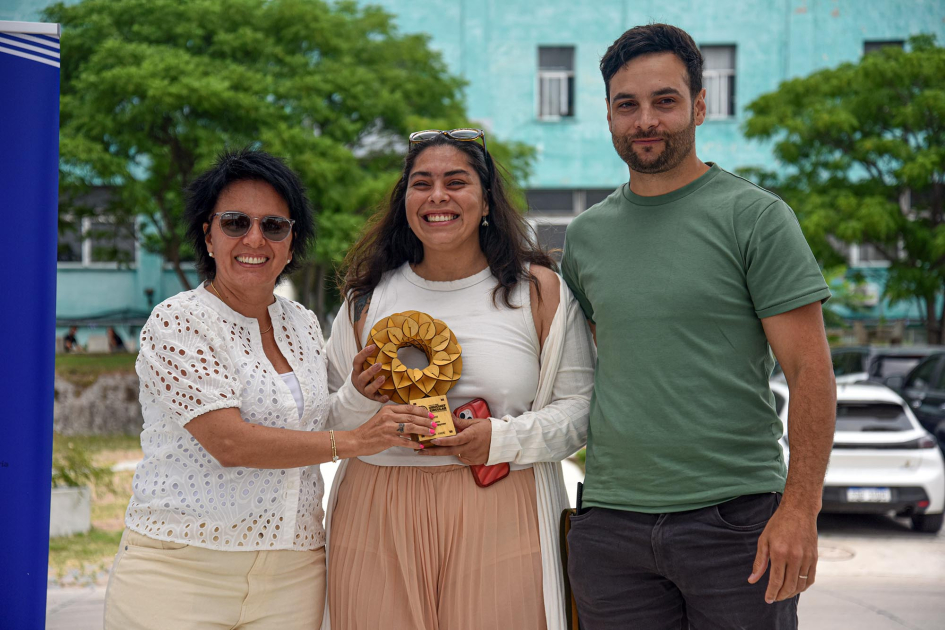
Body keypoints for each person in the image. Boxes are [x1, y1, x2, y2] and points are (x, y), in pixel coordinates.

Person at [562, 24, 837, 629]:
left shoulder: (756, 217)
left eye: (665, 100)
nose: (645, 120)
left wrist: (800, 509)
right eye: (626, 105)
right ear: (608, 114)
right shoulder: (585, 236)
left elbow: (811, 370)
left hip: (735, 524)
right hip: (611, 525)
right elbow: (591, 366)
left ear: (701, 106)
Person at [103, 148, 436, 630]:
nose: (255, 239)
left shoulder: (301, 322)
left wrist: (360, 394)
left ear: (290, 242)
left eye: (274, 226)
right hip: (179, 571)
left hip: (293, 574)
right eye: (235, 222)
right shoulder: (178, 320)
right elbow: (230, 442)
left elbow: (310, 426)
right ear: (209, 235)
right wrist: (357, 441)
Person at [321, 129, 595, 630]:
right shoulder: (366, 300)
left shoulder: (537, 292)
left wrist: (500, 440)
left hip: (501, 508)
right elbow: (325, 420)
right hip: (376, 511)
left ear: (486, 200)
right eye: (421, 183)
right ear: (405, 201)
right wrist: (360, 398)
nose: (437, 196)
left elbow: (581, 410)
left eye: (456, 182)